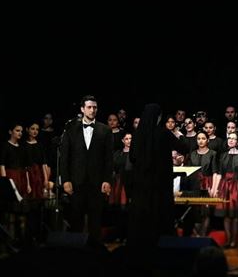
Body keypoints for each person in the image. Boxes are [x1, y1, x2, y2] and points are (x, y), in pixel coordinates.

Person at [59, 95, 114, 244]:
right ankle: (76, 254)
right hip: (76, 181)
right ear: (82, 109)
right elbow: (64, 158)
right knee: (76, 219)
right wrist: (65, 180)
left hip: (96, 182)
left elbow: (109, 159)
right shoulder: (70, 129)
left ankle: (95, 252)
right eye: (89, 107)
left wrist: (107, 180)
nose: (92, 110)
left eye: (94, 107)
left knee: (95, 220)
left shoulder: (105, 130)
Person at [127, 102, 181, 252]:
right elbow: (183, 147)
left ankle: (139, 246)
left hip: (141, 185)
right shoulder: (163, 133)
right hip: (160, 184)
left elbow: (132, 157)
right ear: (159, 117)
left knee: (142, 215)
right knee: (159, 214)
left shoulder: (137, 134)